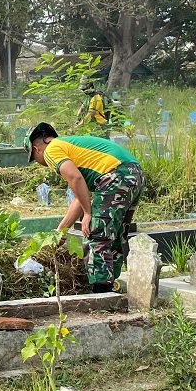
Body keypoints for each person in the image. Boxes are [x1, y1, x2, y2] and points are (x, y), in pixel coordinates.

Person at [25, 122, 144, 293]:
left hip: (116, 175)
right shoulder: (69, 146)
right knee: (115, 234)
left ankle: (101, 294)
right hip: (133, 173)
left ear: (36, 149)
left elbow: (75, 179)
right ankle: (110, 285)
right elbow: (80, 196)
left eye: (34, 159)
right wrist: (61, 230)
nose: (38, 162)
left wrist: (88, 214)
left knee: (96, 233)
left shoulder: (51, 150)